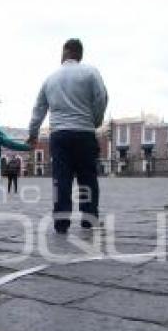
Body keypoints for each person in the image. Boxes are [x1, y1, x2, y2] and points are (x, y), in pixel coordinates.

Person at [28, 38, 108, 234]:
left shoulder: (50, 78)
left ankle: (61, 222)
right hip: (84, 132)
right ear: (80, 54)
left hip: (59, 135)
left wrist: (33, 133)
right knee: (87, 178)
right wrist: (94, 121)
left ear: (65, 52)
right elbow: (102, 98)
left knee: (61, 179)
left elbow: (39, 108)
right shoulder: (91, 72)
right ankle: (89, 218)